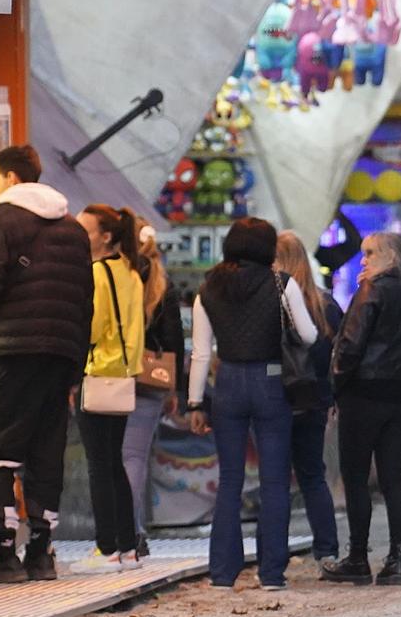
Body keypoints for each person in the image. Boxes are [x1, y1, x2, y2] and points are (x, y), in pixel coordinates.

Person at [0, 145, 96, 585]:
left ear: (13, 179)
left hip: (13, 350)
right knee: (46, 447)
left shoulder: (3, 217)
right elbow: (84, 299)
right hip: (61, 354)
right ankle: (42, 551)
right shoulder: (74, 228)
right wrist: (76, 362)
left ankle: (5, 552)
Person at [188, 217, 314, 591]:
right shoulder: (281, 283)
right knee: (274, 480)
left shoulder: (208, 286)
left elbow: (199, 352)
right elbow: (307, 334)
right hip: (272, 381)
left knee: (230, 479)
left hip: (226, 383)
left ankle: (222, 573)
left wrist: (195, 402)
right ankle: (271, 573)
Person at [325, 232, 401, 587]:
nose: (364, 260)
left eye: (370, 253)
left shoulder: (370, 290)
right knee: (393, 479)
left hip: (363, 395)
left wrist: (335, 388)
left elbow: (350, 346)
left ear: (390, 255)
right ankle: (397, 559)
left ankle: (358, 558)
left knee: (357, 477)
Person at [74, 204, 147, 573]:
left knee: (99, 465)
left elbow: (92, 327)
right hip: (122, 374)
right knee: (114, 462)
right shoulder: (130, 272)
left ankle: (107, 549)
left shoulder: (97, 274)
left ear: (105, 236)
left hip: (96, 372)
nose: (78, 237)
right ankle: (128, 546)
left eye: (84, 231)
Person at [275, 230, 343, 565]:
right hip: (315, 399)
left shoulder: (270, 300)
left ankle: (275, 553)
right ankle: (327, 548)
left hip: (277, 397)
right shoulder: (326, 304)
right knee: (313, 475)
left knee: (276, 478)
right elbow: (337, 356)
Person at [121, 222, 183, 554]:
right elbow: (174, 337)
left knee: (116, 457)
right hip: (152, 378)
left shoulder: (118, 276)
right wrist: (174, 390)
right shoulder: (160, 281)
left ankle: (124, 531)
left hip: (115, 373)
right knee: (135, 458)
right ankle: (134, 530)